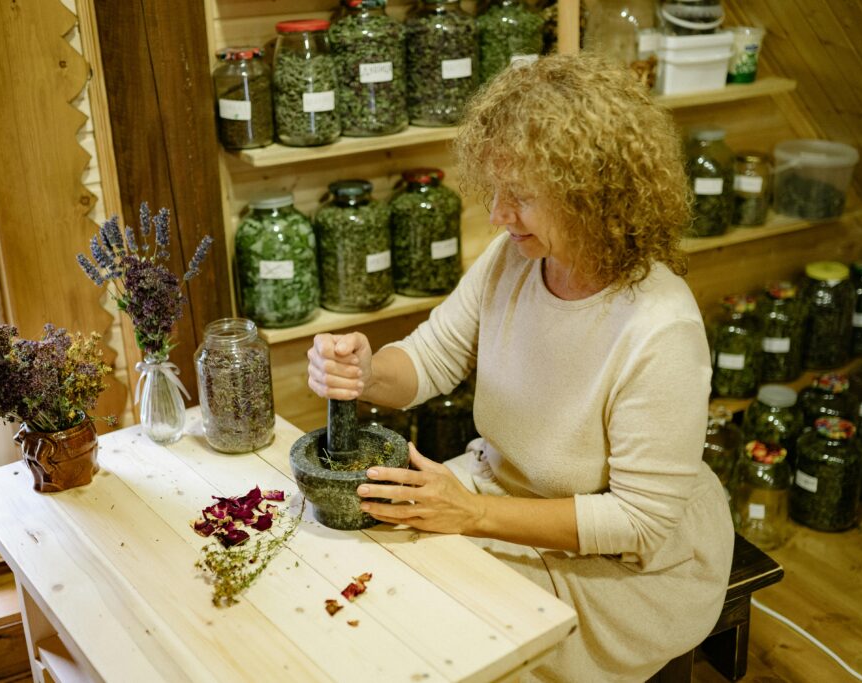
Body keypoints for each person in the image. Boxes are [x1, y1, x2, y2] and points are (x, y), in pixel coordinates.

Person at [306, 53, 734, 682]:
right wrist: (365, 371)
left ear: (593, 197)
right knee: (370, 592)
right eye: (495, 190)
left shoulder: (659, 327)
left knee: (441, 644)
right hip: (496, 496)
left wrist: (473, 516)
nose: (499, 215)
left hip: (618, 565)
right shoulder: (515, 259)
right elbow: (429, 358)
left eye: (523, 198)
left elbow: (637, 522)